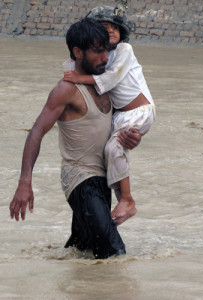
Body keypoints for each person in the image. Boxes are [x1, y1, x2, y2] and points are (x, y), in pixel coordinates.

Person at [9, 18, 141, 259]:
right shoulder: (66, 90)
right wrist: (24, 181)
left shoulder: (105, 84)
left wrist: (132, 139)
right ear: (78, 52)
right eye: (97, 51)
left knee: (81, 253)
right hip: (81, 180)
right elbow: (36, 131)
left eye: (107, 50)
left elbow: (115, 131)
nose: (105, 58)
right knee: (114, 254)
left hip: (103, 179)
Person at [63, 5, 156, 226]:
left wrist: (78, 79)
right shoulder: (99, 56)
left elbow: (111, 79)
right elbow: (72, 66)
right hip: (119, 117)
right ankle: (117, 202)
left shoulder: (124, 50)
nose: (112, 31)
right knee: (114, 153)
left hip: (138, 112)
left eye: (115, 27)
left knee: (114, 149)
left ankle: (127, 199)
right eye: (105, 28)